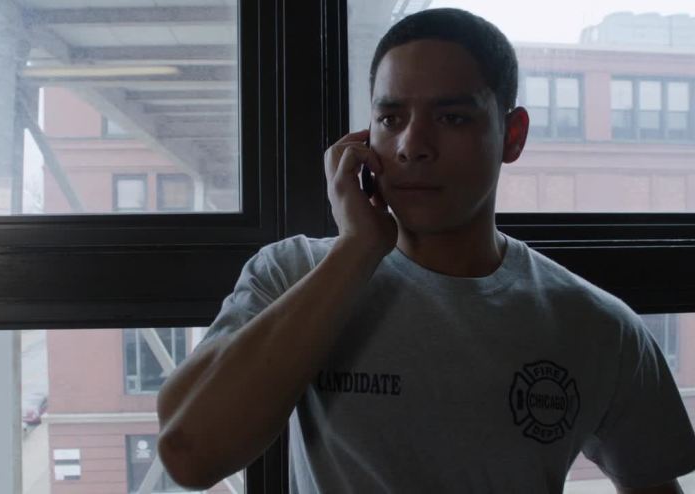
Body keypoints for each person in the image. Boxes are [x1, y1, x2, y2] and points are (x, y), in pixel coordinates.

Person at [156, 8, 695, 493]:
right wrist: (358, 249)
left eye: (452, 117)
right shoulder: (295, 273)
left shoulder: (596, 325)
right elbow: (190, 454)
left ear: (512, 136)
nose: (413, 145)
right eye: (391, 119)